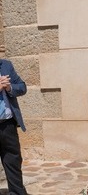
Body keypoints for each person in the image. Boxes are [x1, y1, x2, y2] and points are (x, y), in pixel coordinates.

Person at [0, 59, 27, 194]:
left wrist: (9, 87)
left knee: (13, 162)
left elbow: (22, 87)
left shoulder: (6, 65)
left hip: (8, 125)